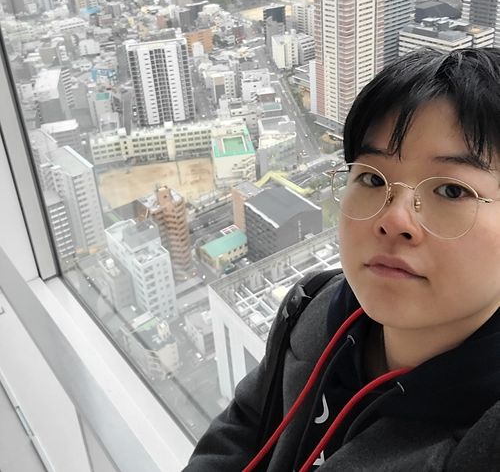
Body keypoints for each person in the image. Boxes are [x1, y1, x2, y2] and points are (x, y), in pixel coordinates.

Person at [182, 47, 500, 471]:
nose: (394, 220)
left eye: (451, 190)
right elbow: (245, 426)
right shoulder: (315, 308)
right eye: (372, 178)